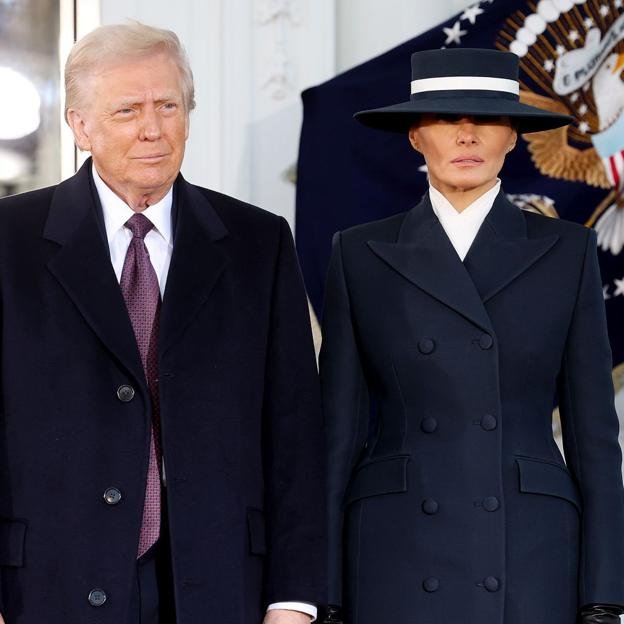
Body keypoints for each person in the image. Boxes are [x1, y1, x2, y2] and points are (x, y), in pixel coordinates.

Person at [0, 22, 325, 624]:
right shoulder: (8, 241)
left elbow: (295, 433)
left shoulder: (260, 243)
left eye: (168, 106)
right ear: (80, 125)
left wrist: (294, 599)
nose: (153, 129)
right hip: (47, 583)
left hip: (220, 584)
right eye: (127, 110)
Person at [320, 48, 624, 624]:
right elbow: (338, 433)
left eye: (485, 119)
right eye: (445, 120)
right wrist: (325, 593)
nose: (467, 136)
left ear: (512, 136)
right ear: (415, 136)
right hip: (395, 554)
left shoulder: (567, 252)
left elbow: (594, 439)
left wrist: (605, 597)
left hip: (531, 554)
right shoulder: (358, 253)